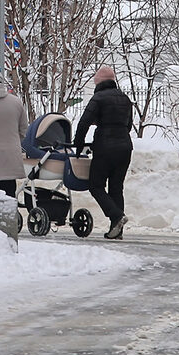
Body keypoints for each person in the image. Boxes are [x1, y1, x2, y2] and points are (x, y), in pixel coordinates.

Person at [76, 65, 135, 239]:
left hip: (104, 147)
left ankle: (116, 216)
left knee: (96, 185)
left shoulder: (98, 98)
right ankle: (117, 231)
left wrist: (78, 143)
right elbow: (129, 125)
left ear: (99, 82)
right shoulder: (125, 99)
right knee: (116, 188)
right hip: (125, 147)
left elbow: (84, 122)